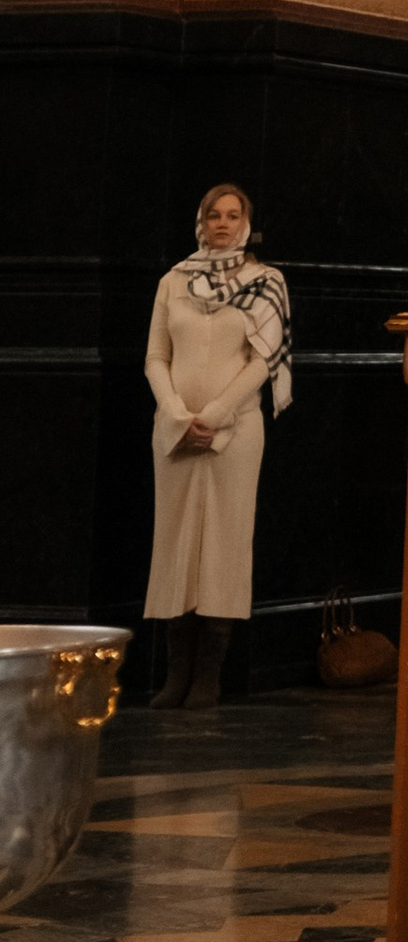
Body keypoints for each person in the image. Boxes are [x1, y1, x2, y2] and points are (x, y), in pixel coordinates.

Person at [143, 184, 290, 710]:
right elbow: (155, 357)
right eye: (213, 215)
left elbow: (261, 363)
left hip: (236, 433)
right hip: (176, 432)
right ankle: (176, 673)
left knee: (224, 548)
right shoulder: (173, 281)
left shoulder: (267, 282)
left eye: (233, 215)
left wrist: (215, 415)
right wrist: (180, 416)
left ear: (247, 223)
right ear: (200, 222)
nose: (222, 223)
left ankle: (210, 675)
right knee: (176, 547)